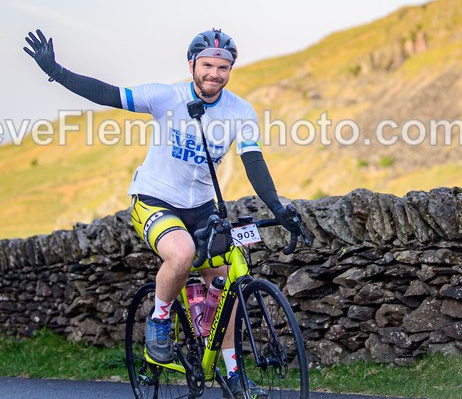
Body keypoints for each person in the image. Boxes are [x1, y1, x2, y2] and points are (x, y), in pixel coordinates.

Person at [24, 28, 294, 398]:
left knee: (227, 281)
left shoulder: (240, 111)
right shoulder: (167, 96)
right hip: (154, 200)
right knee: (181, 253)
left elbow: (253, 160)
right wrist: (55, 70)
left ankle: (232, 373)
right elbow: (107, 94)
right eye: (208, 66)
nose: (214, 74)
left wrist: (276, 205)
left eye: (223, 68)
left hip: (201, 208)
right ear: (192, 65)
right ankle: (160, 320)